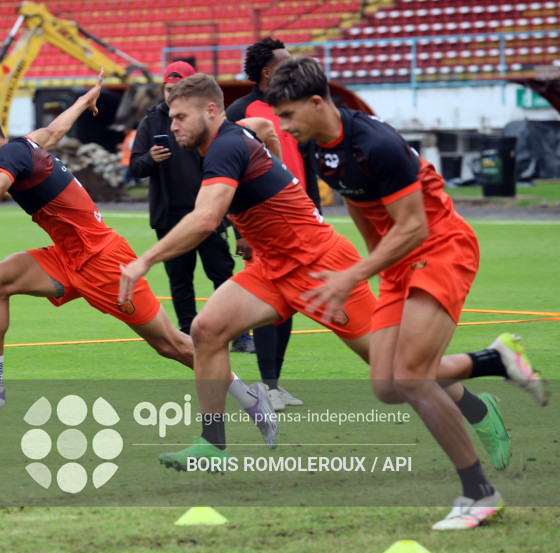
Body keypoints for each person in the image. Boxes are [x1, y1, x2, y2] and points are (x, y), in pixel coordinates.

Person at [119, 73, 540, 498]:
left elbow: (206, 219)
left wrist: (144, 260)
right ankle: (213, 444)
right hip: (273, 267)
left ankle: (479, 399)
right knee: (206, 330)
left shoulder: (227, 144)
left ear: (211, 111)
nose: (171, 126)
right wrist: (273, 178)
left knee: (395, 375)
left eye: (179, 116)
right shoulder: (237, 133)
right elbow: (264, 131)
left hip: (322, 267)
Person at [0, 70, 276, 446]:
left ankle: (251, 399)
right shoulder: (24, 146)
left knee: (171, 346)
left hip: (103, 262)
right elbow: (55, 131)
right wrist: (84, 101)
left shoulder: (9, 155)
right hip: (67, 257)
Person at [264, 57, 547, 530]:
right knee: (388, 386)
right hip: (398, 258)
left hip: (440, 247)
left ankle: (479, 493)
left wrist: (353, 275)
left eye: (289, 115)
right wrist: (379, 271)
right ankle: (495, 361)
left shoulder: (376, 143)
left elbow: (415, 226)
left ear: (317, 103)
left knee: (413, 377)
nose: (285, 127)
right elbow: (360, 207)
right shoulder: (321, 151)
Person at [130, 60, 253, 352]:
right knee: (180, 281)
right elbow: (135, 166)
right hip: (170, 216)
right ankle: (189, 336)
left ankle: (239, 335)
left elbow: (231, 178)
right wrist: (151, 159)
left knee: (222, 274)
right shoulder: (152, 121)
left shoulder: (206, 122)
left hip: (208, 212)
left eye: (177, 89)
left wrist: (237, 228)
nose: (170, 95)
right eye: (167, 89)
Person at [226, 37, 321, 409]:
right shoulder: (241, 111)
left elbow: (308, 165)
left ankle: (274, 385)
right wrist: (241, 230)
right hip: (261, 222)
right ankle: (265, 388)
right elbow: (229, 175)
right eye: (286, 62)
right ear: (267, 71)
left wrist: (316, 213)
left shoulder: (294, 107)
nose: (293, 65)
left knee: (290, 301)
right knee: (269, 300)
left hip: (299, 220)